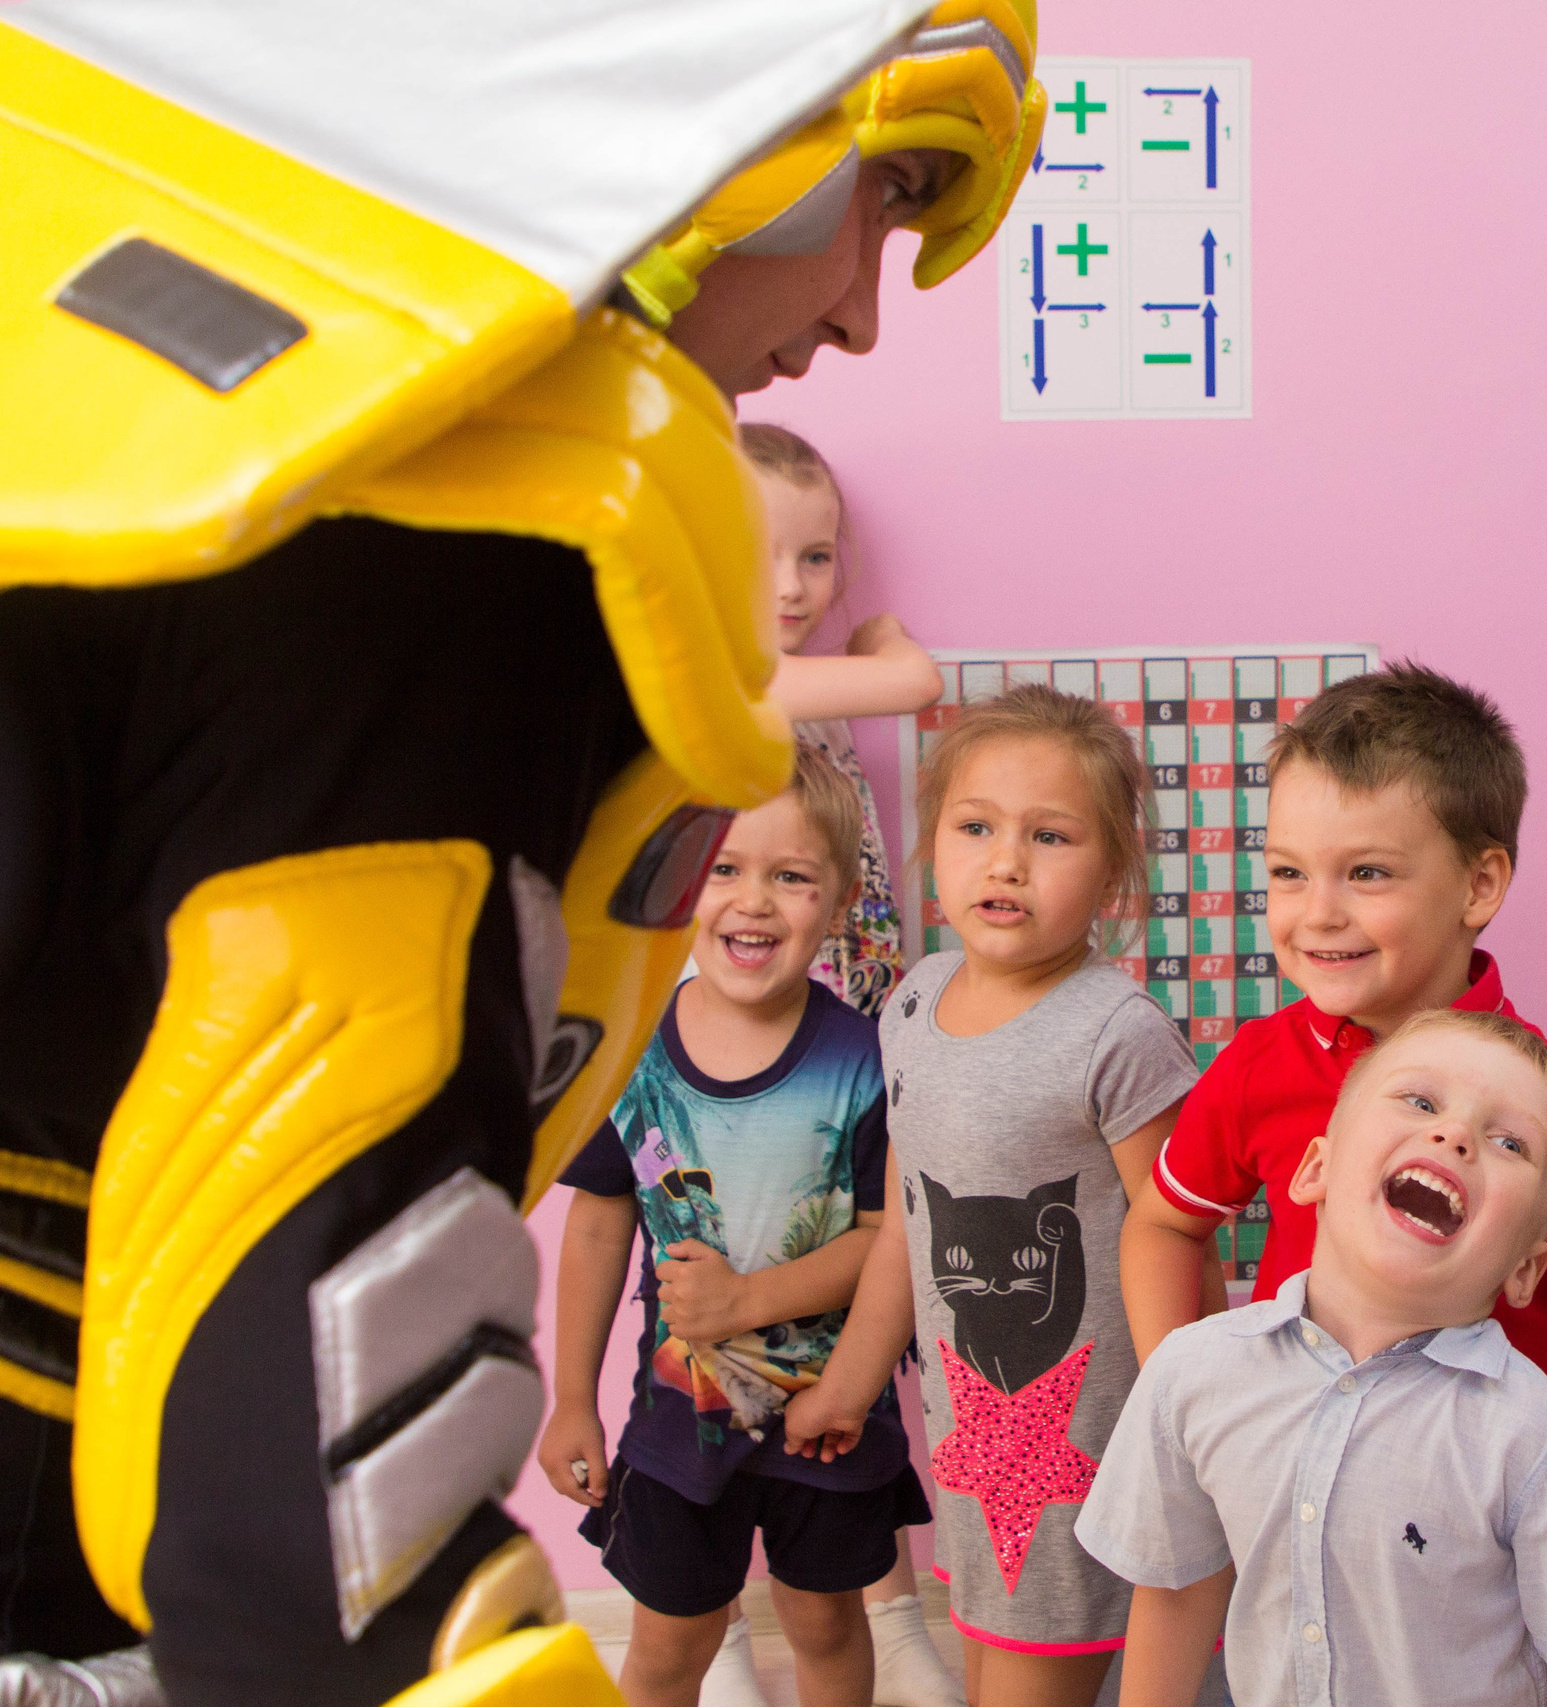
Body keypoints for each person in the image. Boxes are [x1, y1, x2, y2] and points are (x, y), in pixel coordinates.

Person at [0, 5, 1046, 1700]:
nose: (865, 305)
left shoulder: (123, 376)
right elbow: (316, 1494)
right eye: (893, 189)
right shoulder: (454, 529)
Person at [1117, 664, 1547, 1469]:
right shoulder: (1260, 1063)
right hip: (1280, 1496)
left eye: (1367, 873)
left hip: (1474, 1521)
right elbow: (1164, 1223)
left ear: (1479, 884)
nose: (1318, 913)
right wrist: (1180, 1418)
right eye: (1288, 872)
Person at [782, 685, 1211, 1707]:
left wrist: (1192, 1432)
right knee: (987, 1668)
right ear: (934, 842)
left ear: (1112, 870)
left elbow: (1179, 1236)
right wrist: (849, 1383)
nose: (1006, 861)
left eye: (1049, 836)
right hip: (974, 1443)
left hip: (1084, 1451)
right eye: (976, 827)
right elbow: (907, 1228)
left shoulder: (1117, 1033)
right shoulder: (914, 1001)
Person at [1079, 1010, 1547, 1707]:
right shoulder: (1193, 1371)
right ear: (1316, 1170)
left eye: (1510, 1141)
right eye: (1420, 1101)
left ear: (1525, 1270)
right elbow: (1176, 1591)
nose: (1454, 1134)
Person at [535, 750, 925, 1707]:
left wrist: (747, 1299)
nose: (753, 900)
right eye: (723, 868)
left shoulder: (867, 1061)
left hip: (831, 1416)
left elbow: (887, 1240)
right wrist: (572, 1397)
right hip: (678, 1423)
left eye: (790, 876)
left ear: (839, 905)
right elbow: (597, 1229)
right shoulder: (630, 1053)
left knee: (826, 1625)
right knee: (671, 1645)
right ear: (680, 886)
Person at [733, 424, 960, 1707]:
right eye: (759, 553)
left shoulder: (800, 698)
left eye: (816, 557)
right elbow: (910, 675)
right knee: (725, 1336)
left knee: (863, 1327)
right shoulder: (727, 684)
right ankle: (716, 1625)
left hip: (855, 1055)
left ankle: (889, 1606)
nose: (791, 587)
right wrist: (876, 638)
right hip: (748, 1070)